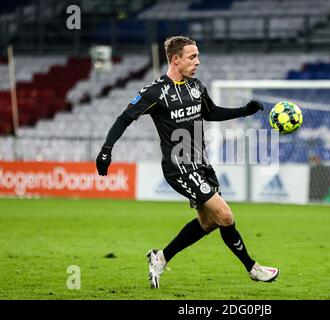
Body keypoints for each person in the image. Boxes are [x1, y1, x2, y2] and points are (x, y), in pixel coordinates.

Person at [95, 36, 279, 289]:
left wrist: (242, 111)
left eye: (198, 56)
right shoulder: (154, 92)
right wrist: (106, 150)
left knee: (209, 222)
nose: (198, 61)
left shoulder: (195, 86)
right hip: (178, 167)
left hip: (201, 164)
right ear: (175, 59)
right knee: (225, 215)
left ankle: (160, 258)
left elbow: (210, 112)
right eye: (192, 57)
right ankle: (253, 268)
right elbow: (124, 118)